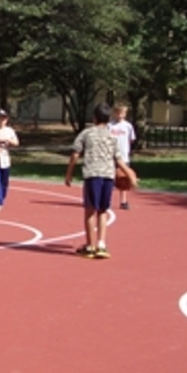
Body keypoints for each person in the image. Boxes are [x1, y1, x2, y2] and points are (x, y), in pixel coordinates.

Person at [65, 102, 137, 259]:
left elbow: (75, 153)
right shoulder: (112, 137)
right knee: (103, 210)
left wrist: (69, 173)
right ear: (108, 118)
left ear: (94, 117)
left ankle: (90, 246)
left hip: (92, 174)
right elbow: (118, 159)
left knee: (90, 211)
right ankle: (102, 245)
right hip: (108, 176)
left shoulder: (86, 133)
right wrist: (129, 173)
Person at [108, 103, 136, 209]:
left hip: (124, 156)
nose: (120, 115)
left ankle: (123, 201)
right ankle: (108, 200)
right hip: (111, 156)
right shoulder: (110, 126)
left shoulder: (128, 126)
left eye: (123, 113)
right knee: (110, 178)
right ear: (115, 113)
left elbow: (130, 140)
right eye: (118, 112)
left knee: (123, 179)